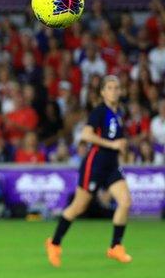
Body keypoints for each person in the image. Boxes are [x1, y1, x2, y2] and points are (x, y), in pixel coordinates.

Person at [45, 75, 132, 267]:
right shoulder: (99, 112)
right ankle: (54, 242)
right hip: (95, 164)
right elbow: (86, 135)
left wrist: (122, 146)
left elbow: (118, 139)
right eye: (109, 88)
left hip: (111, 164)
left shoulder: (119, 113)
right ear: (102, 92)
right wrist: (112, 144)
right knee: (79, 206)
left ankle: (116, 247)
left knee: (125, 202)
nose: (114, 91)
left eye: (117, 87)